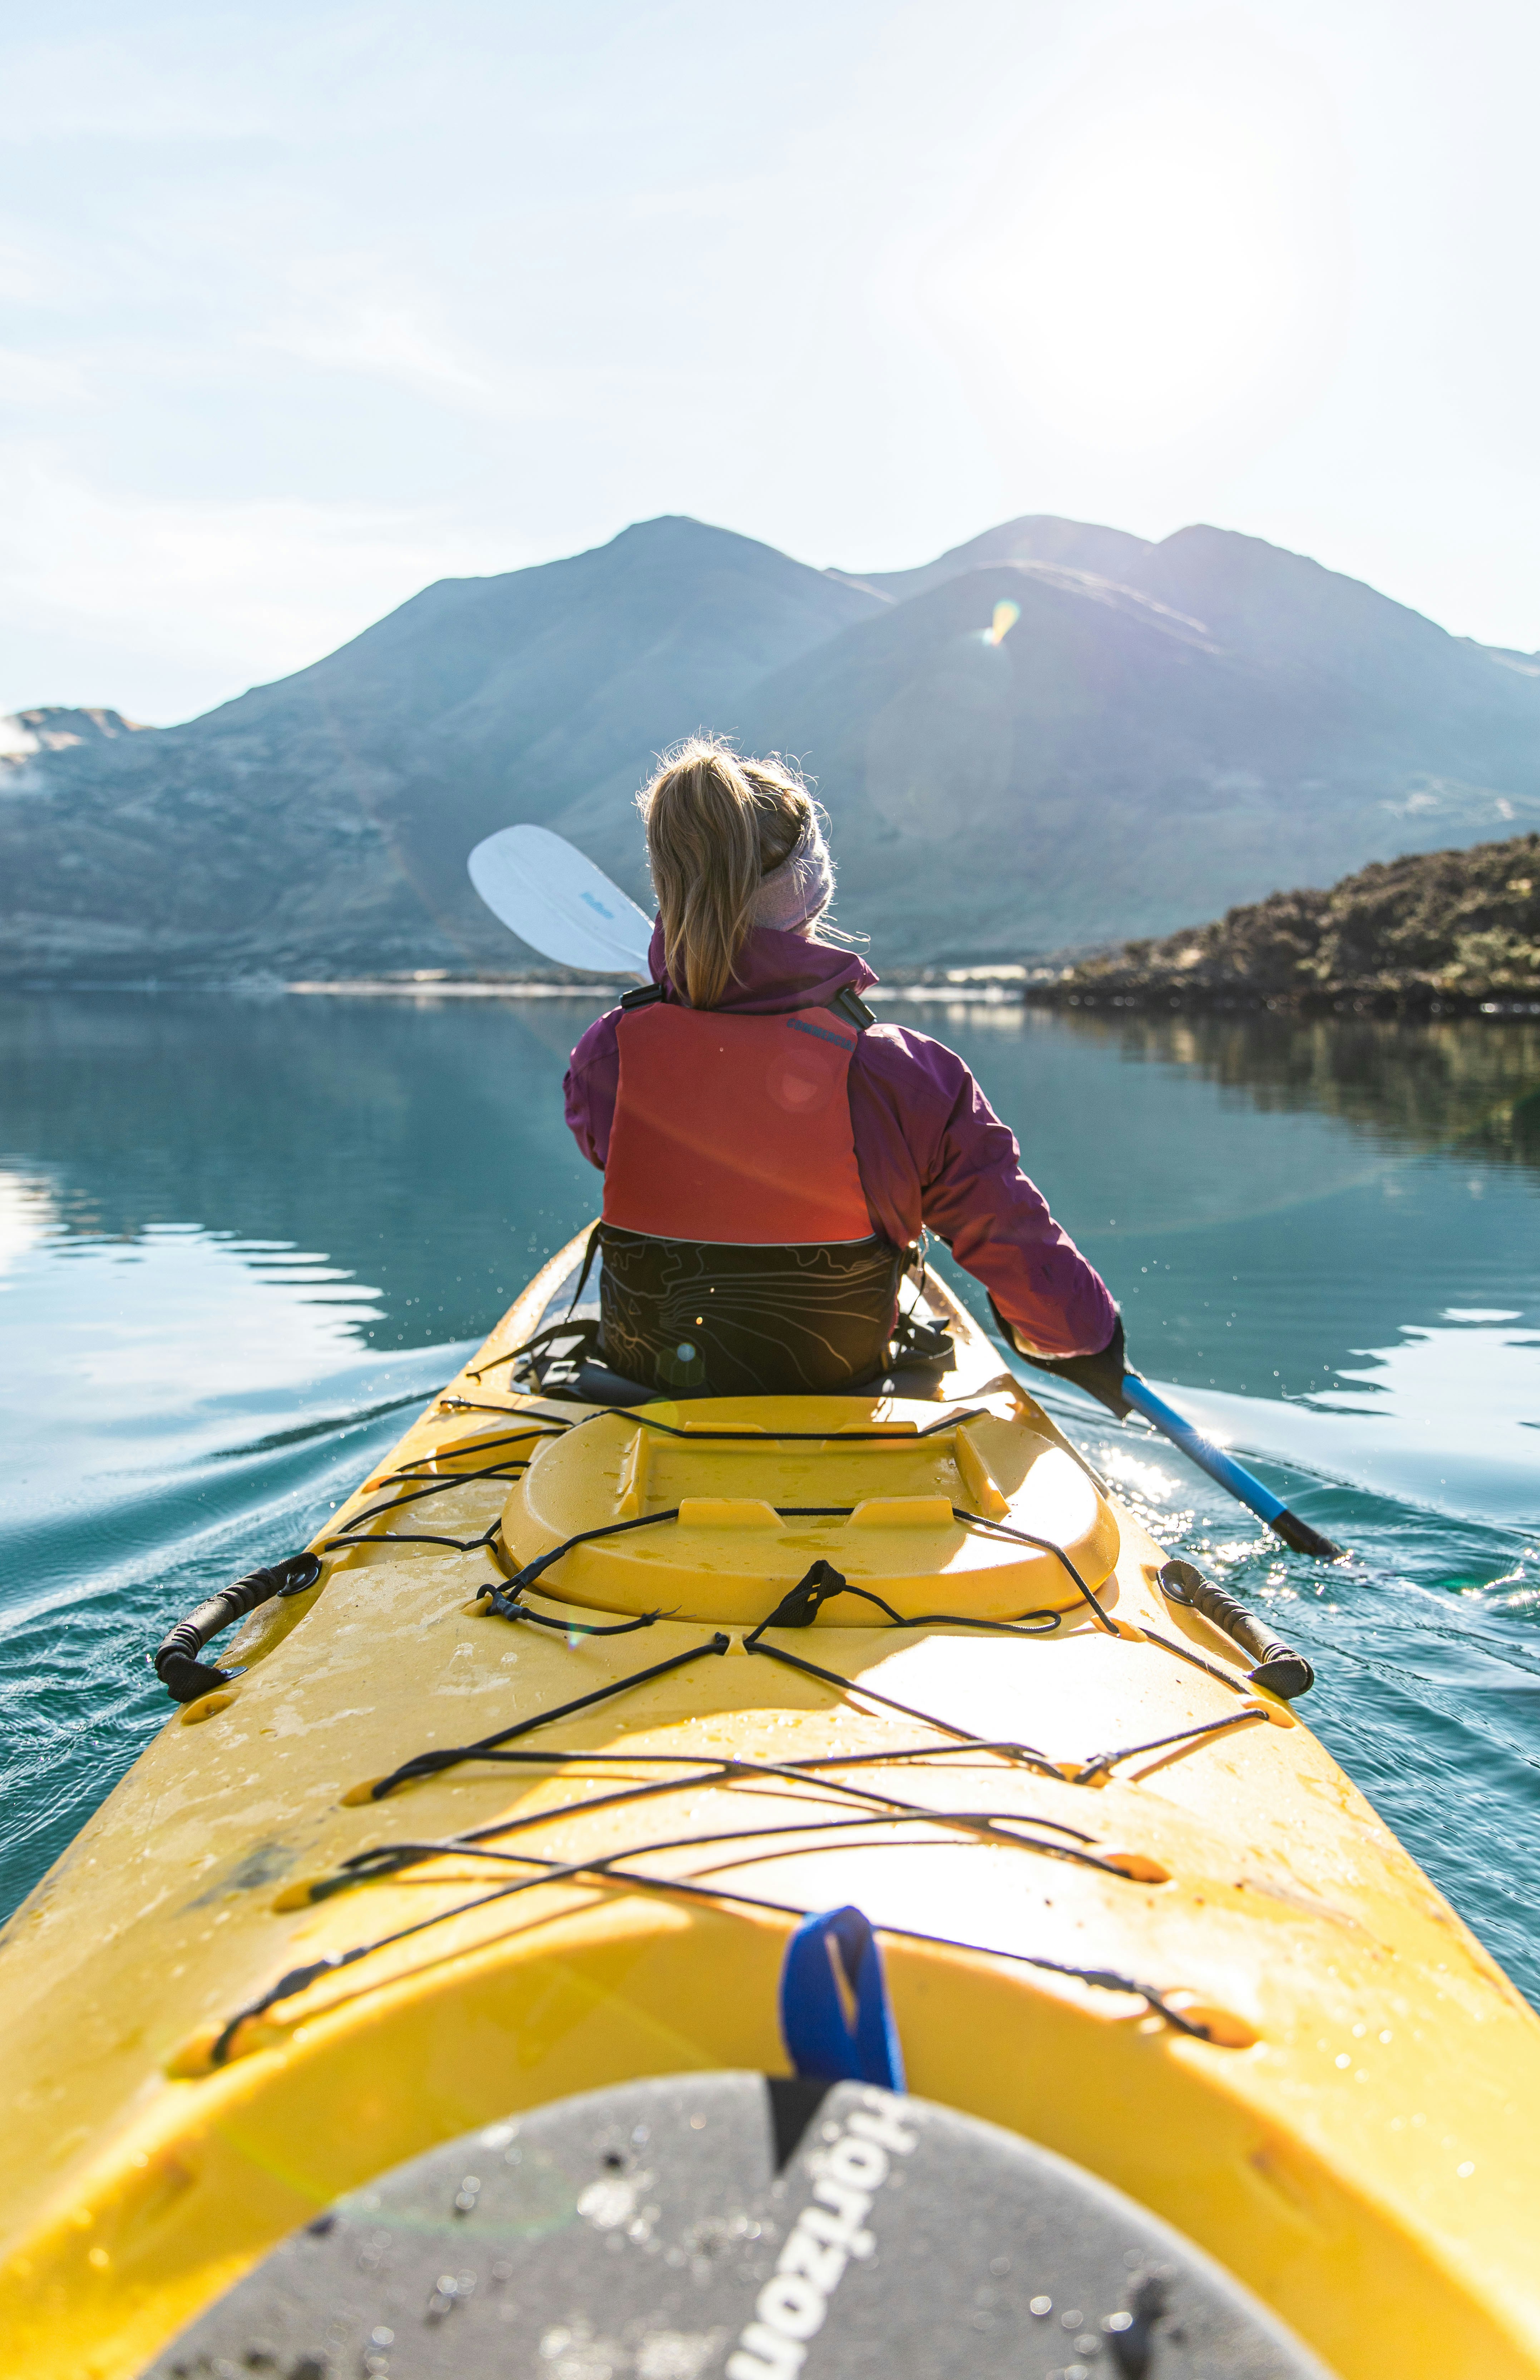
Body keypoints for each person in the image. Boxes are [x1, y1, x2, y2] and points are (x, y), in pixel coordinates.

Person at [563, 736, 1131, 1408]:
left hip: (651, 1390)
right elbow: (1033, 1277)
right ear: (808, 888)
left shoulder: (608, 1054)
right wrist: (1092, 1342)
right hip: (839, 1389)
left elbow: (622, 1151)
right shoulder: (904, 1074)